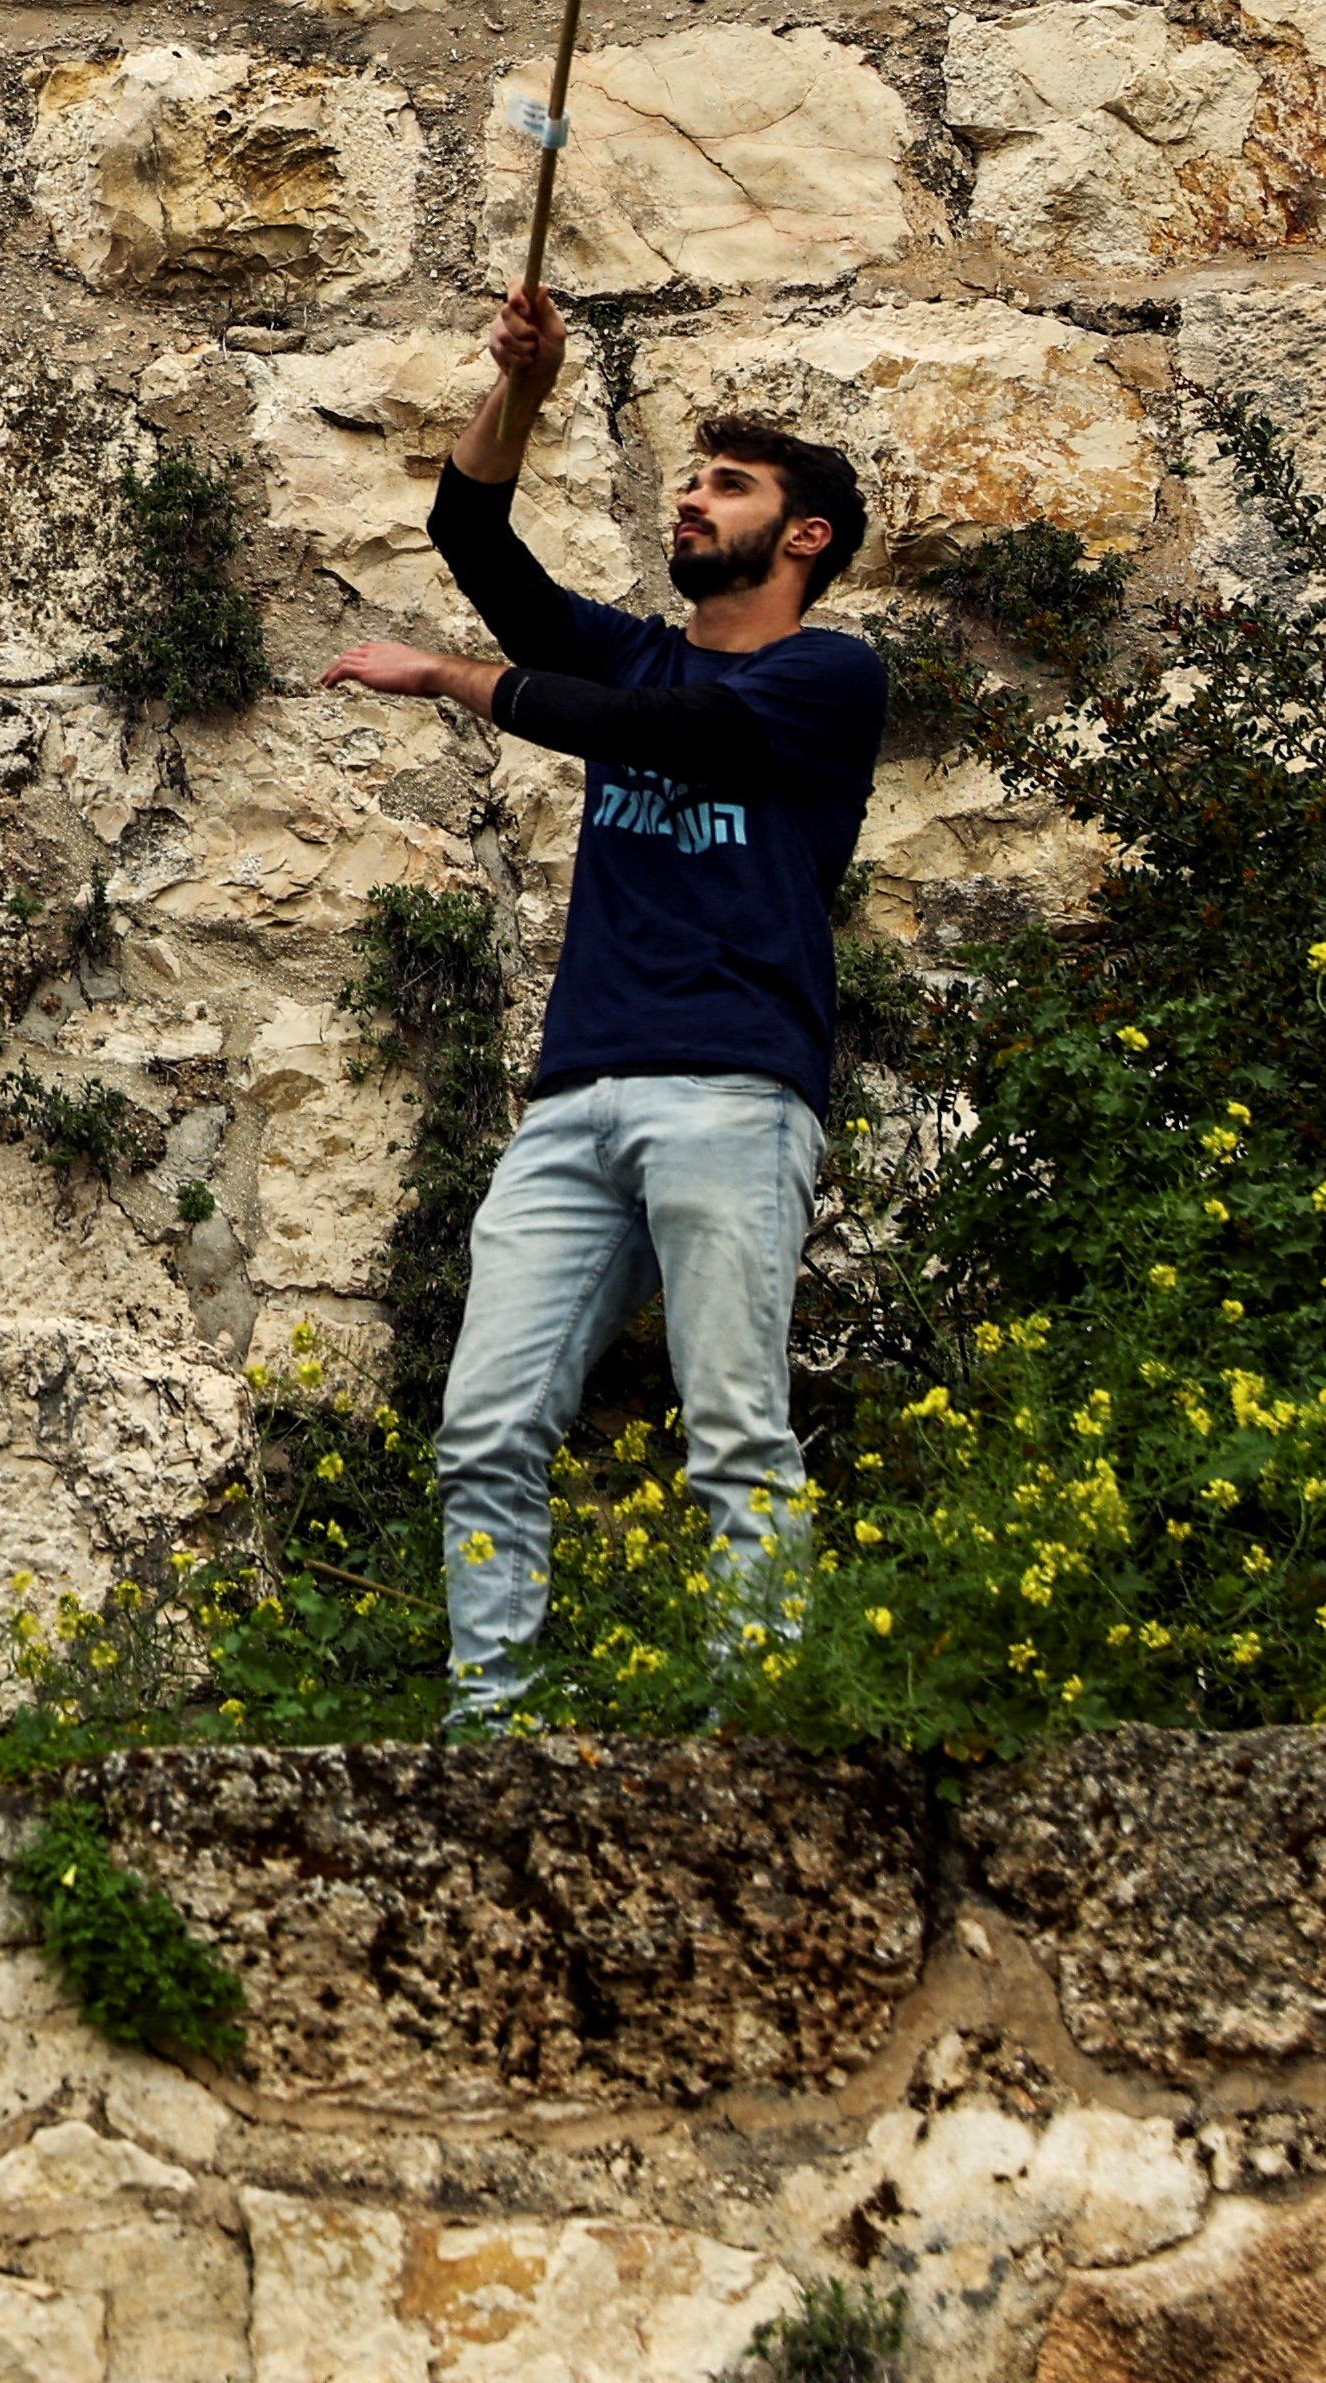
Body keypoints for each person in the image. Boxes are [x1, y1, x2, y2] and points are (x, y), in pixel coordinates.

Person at [321, 285, 885, 1726]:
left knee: (737, 1429)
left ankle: (754, 1726)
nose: (692, 503)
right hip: (575, 1097)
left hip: (734, 1088)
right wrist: (523, 387)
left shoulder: (830, 674)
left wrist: (455, 678)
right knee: (487, 1423)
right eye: (692, 482)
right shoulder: (633, 647)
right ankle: (489, 1722)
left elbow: (665, 730)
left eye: (728, 488)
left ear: (803, 536)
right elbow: (469, 534)